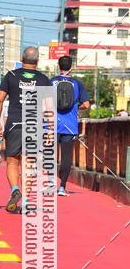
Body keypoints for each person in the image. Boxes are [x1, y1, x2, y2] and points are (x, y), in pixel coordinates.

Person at [0, 46, 51, 213]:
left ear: (21, 58)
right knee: (29, 162)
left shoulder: (11, 76)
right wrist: (48, 129)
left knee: (12, 160)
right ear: (38, 61)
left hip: (14, 123)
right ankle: (26, 199)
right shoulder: (43, 79)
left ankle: (14, 189)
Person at [51, 55, 90, 196]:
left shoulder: (52, 82)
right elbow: (86, 104)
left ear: (58, 66)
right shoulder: (77, 83)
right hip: (70, 126)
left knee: (48, 155)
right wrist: (76, 108)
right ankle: (62, 187)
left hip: (51, 125)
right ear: (71, 67)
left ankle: (48, 183)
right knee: (66, 157)